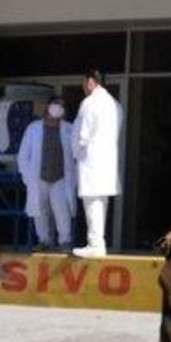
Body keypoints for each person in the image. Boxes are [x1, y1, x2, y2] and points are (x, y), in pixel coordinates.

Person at [70, 68, 123, 258]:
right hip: (107, 161)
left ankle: (95, 244)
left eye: (84, 83)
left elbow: (81, 135)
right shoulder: (115, 104)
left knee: (92, 204)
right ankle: (98, 243)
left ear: (91, 82)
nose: (83, 87)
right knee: (101, 203)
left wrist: (75, 152)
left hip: (91, 160)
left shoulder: (90, 102)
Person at [17, 96, 77, 251]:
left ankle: (65, 241)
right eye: (55, 105)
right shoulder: (33, 128)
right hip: (38, 178)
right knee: (40, 210)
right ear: (48, 107)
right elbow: (23, 155)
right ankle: (43, 240)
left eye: (61, 106)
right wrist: (27, 177)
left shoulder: (69, 129)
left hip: (61, 177)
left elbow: (77, 154)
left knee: (62, 209)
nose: (58, 108)